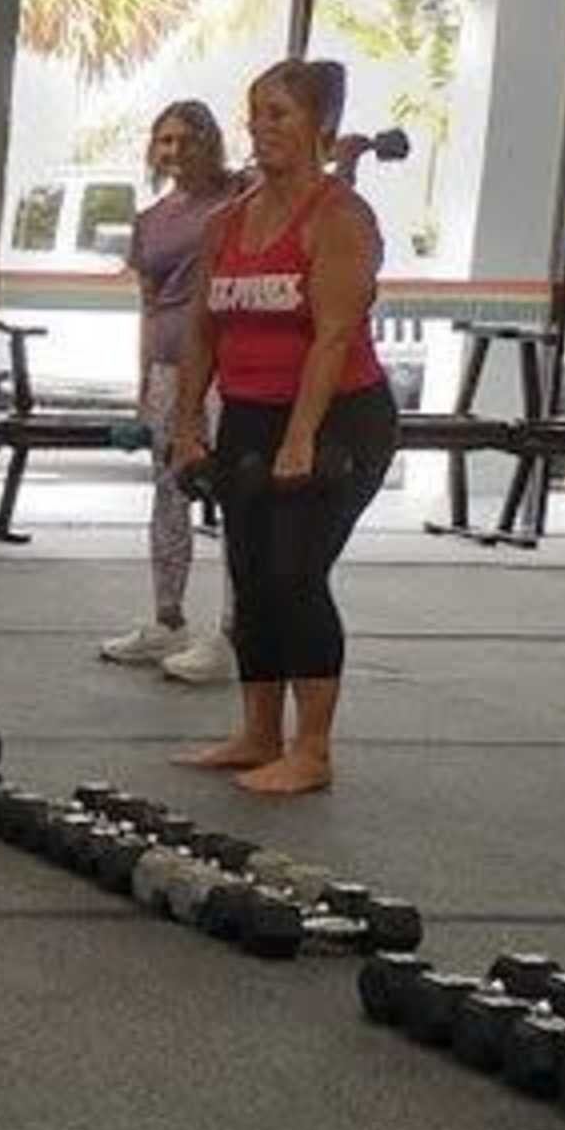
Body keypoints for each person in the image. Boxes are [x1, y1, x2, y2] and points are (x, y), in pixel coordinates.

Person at [165, 56, 394, 797]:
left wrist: (302, 438)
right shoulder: (229, 220)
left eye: (281, 116)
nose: (263, 130)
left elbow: (332, 335)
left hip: (341, 419)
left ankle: (314, 750)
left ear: (321, 126)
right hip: (252, 415)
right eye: (257, 113)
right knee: (251, 572)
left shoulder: (339, 217)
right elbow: (202, 331)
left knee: (298, 572)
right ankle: (258, 734)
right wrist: (187, 425)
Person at [105, 99, 243, 682]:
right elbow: (147, 302)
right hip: (166, 366)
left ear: (210, 143)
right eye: (165, 141)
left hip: (224, 365)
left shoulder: (240, 199)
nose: (175, 151)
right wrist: (141, 381)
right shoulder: (152, 220)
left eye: (187, 140)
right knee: (169, 490)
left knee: (237, 496)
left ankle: (235, 633)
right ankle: (167, 620)